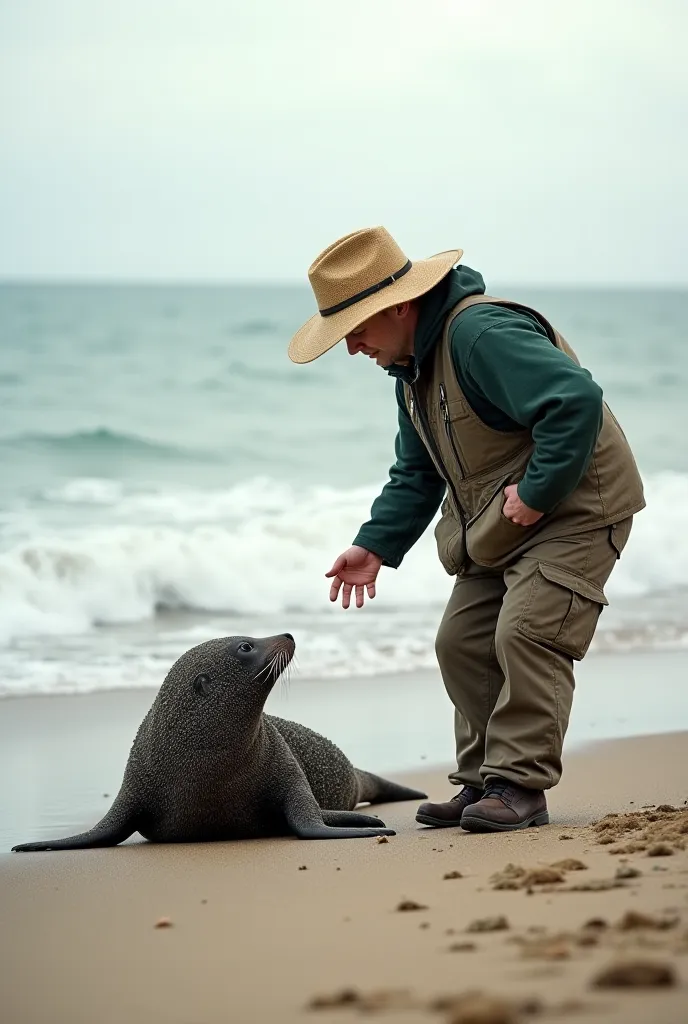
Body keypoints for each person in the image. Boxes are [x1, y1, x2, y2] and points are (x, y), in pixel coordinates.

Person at [288, 226, 645, 833]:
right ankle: (485, 781)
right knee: (460, 642)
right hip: (500, 526)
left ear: (399, 306)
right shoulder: (413, 370)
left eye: (355, 331)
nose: (351, 348)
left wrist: (537, 493)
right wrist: (375, 544)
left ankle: (520, 788)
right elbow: (418, 472)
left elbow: (575, 402)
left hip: (580, 508)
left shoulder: (480, 334)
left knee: (527, 633)